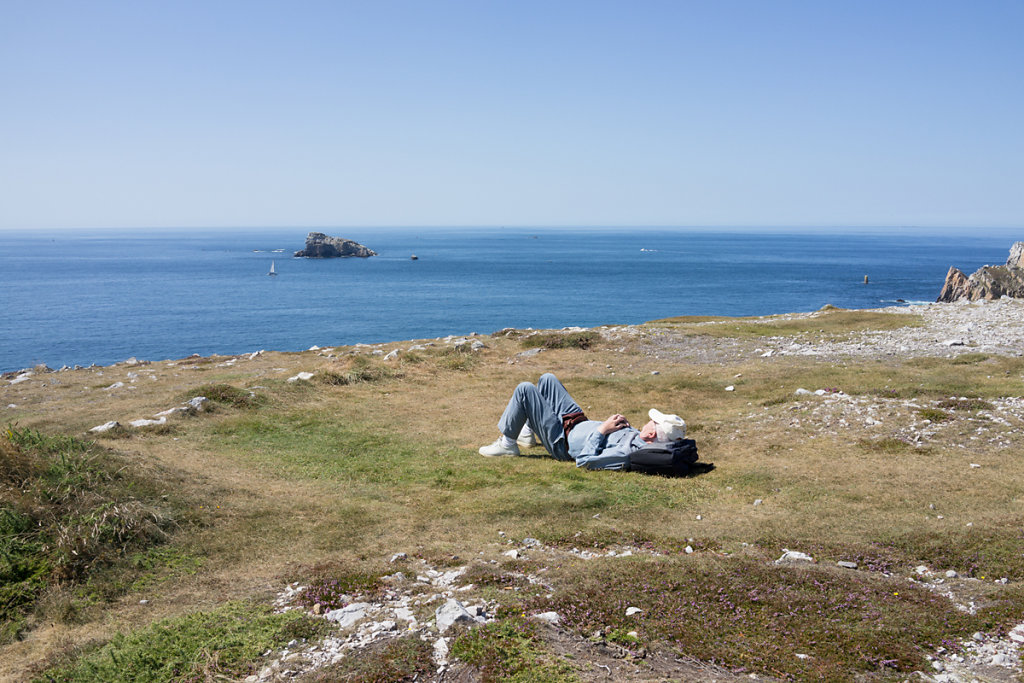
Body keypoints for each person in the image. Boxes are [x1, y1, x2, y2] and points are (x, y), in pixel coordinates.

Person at [478, 373, 686, 470]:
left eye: (653, 422)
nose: (649, 421)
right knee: (548, 379)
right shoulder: (642, 438)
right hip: (575, 423)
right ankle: (527, 431)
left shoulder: (625, 455)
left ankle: (507, 444)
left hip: (562, 441)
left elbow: (585, 461)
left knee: (525, 389)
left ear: (651, 435)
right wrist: (624, 425)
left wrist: (602, 430)